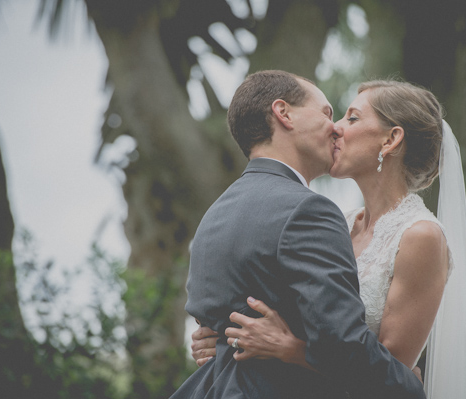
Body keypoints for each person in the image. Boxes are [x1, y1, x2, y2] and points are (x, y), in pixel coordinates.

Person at [191, 79, 466, 399]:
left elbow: (389, 370)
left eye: (351, 118)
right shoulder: (338, 222)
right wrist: (222, 337)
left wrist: (290, 349)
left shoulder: (421, 236)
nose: (335, 128)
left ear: (391, 139)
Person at [171, 71, 425, 399]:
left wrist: (221, 339)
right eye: (326, 113)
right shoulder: (308, 211)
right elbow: (342, 343)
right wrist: (411, 387)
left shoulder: (215, 214)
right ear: (284, 113)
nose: (335, 128)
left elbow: (210, 324)